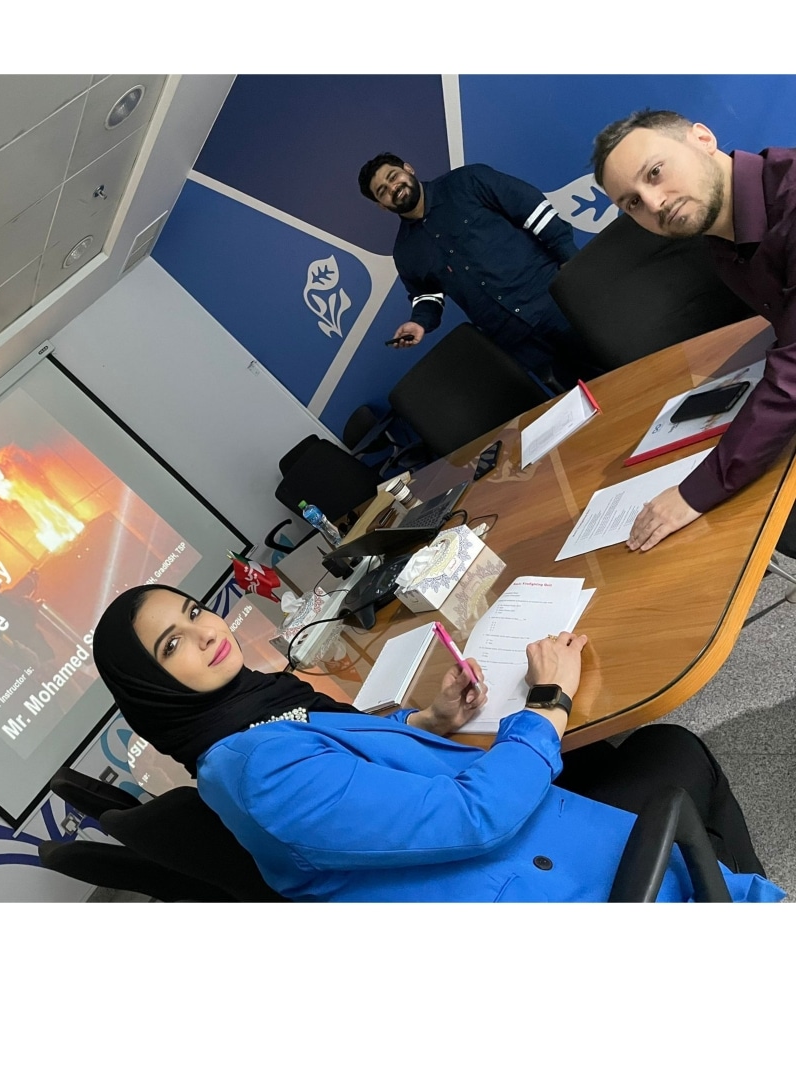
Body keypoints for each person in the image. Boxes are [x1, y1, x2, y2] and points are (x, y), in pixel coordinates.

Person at [93, 583, 780, 903]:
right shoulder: (252, 772)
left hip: (489, 857)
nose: (206, 633)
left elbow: (351, 768)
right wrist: (548, 703)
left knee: (624, 758)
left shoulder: (252, 713)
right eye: (172, 645)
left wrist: (430, 720)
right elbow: (475, 818)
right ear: (153, 687)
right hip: (528, 887)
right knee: (668, 756)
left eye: (194, 611)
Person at [593, 109, 796, 552]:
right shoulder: (722, 237)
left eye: (655, 172)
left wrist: (693, 493)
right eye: (632, 203)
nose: (654, 203)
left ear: (702, 139)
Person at [357, 153, 592, 393]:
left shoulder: (467, 181)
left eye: (393, 176)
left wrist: (572, 264)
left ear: (408, 169)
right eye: (382, 191)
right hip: (520, 342)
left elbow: (534, 211)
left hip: (556, 304)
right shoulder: (405, 252)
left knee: (613, 359)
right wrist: (419, 322)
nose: (393, 188)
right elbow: (427, 296)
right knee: (583, 400)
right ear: (381, 205)